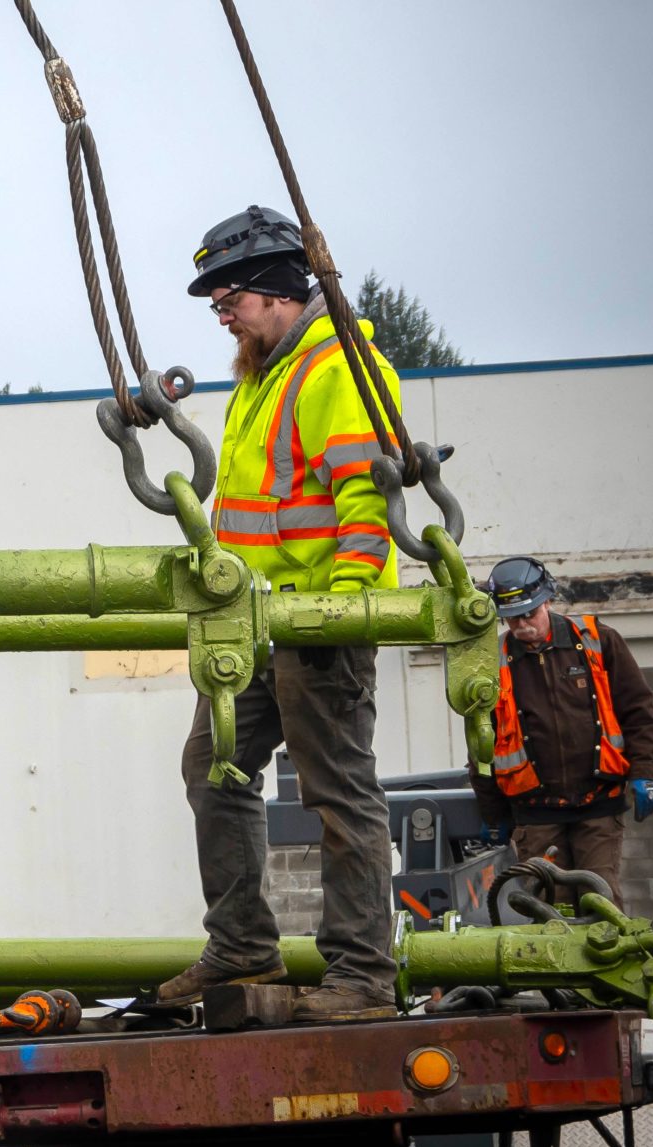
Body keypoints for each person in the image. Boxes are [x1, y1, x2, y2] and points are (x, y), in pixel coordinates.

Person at [154, 205, 405, 1022]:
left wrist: (344, 611)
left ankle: (362, 975)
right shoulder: (263, 377)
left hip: (317, 623)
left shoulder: (340, 368)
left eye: (228, 299)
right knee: (212, 769)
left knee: (337, 791)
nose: (222, 315)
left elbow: (366, 499)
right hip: (252, 623)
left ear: (275, 289)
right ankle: (242, 948)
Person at [468, 556, 653, 904]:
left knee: (600, 902)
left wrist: (642, 773)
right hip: (535, 813)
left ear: (548, 601)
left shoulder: (597, 641)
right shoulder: (491, 664)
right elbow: (482, 747)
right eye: (512, 618)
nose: (522, 625)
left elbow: (638, 711)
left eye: (529, 614)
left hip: (598, 805)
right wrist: (493, 814)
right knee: (548, 910)